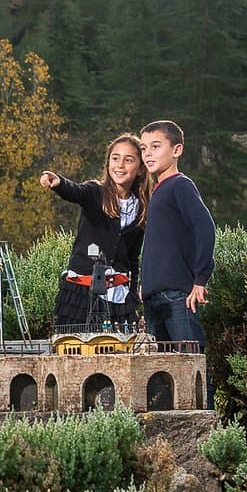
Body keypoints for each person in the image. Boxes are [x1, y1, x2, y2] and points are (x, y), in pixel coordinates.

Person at [40, 134, 150, 329]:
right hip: (81, 291)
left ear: (141, 168)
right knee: (76, 347)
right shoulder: (94, 192)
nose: (120, 165)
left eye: (128, 160)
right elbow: (75, 191)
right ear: (108, 163)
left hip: (118, 294)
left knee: (116, 350)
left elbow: (133, 258)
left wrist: (132, 294)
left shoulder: (141, 208)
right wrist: (59, 183)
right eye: (115, 158)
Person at [138, 120, 215, 355]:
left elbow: (206, 228)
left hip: (177, 297)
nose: (148, 153)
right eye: (144, 148)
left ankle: (204, 395)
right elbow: (159, 246)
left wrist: (200, 279)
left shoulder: (181, 185)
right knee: (162, 373)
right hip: (153, 299)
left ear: (176, 150)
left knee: (190, 363)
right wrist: (145, 284)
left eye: (156, 146)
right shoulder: (157, 192)